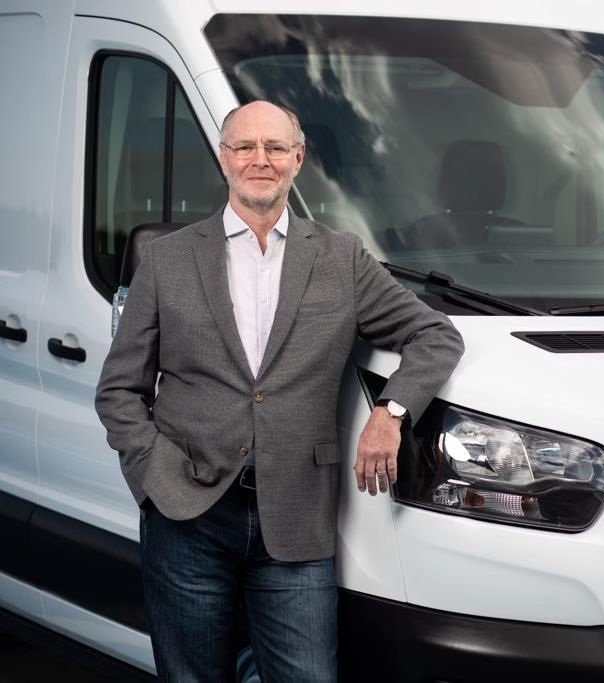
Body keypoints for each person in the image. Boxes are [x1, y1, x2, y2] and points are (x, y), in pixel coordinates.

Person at [94, 100, 464, 682]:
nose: (258, 160)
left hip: (296, 516)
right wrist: (155, 478)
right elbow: (119, 390)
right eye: (244, 147)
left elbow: (435, 334)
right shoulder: (168, 260)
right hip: (186, 513)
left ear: (298, 158)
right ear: (223, 159)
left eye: (273, 148)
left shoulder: (341, 258)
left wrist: (390, 412)